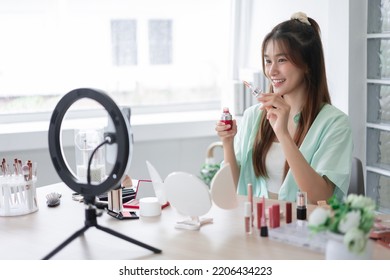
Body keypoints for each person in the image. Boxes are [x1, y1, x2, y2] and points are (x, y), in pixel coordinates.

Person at [215, 12, 353, 204]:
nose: (271, 71)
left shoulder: (335, 124)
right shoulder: (253, 116)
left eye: (282, 60)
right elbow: (235, 188)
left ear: (307, 65)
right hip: (258, 225)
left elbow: (320, 198)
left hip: (304, 229)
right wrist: (228, 143)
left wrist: (283, 134)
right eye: (268, 61)